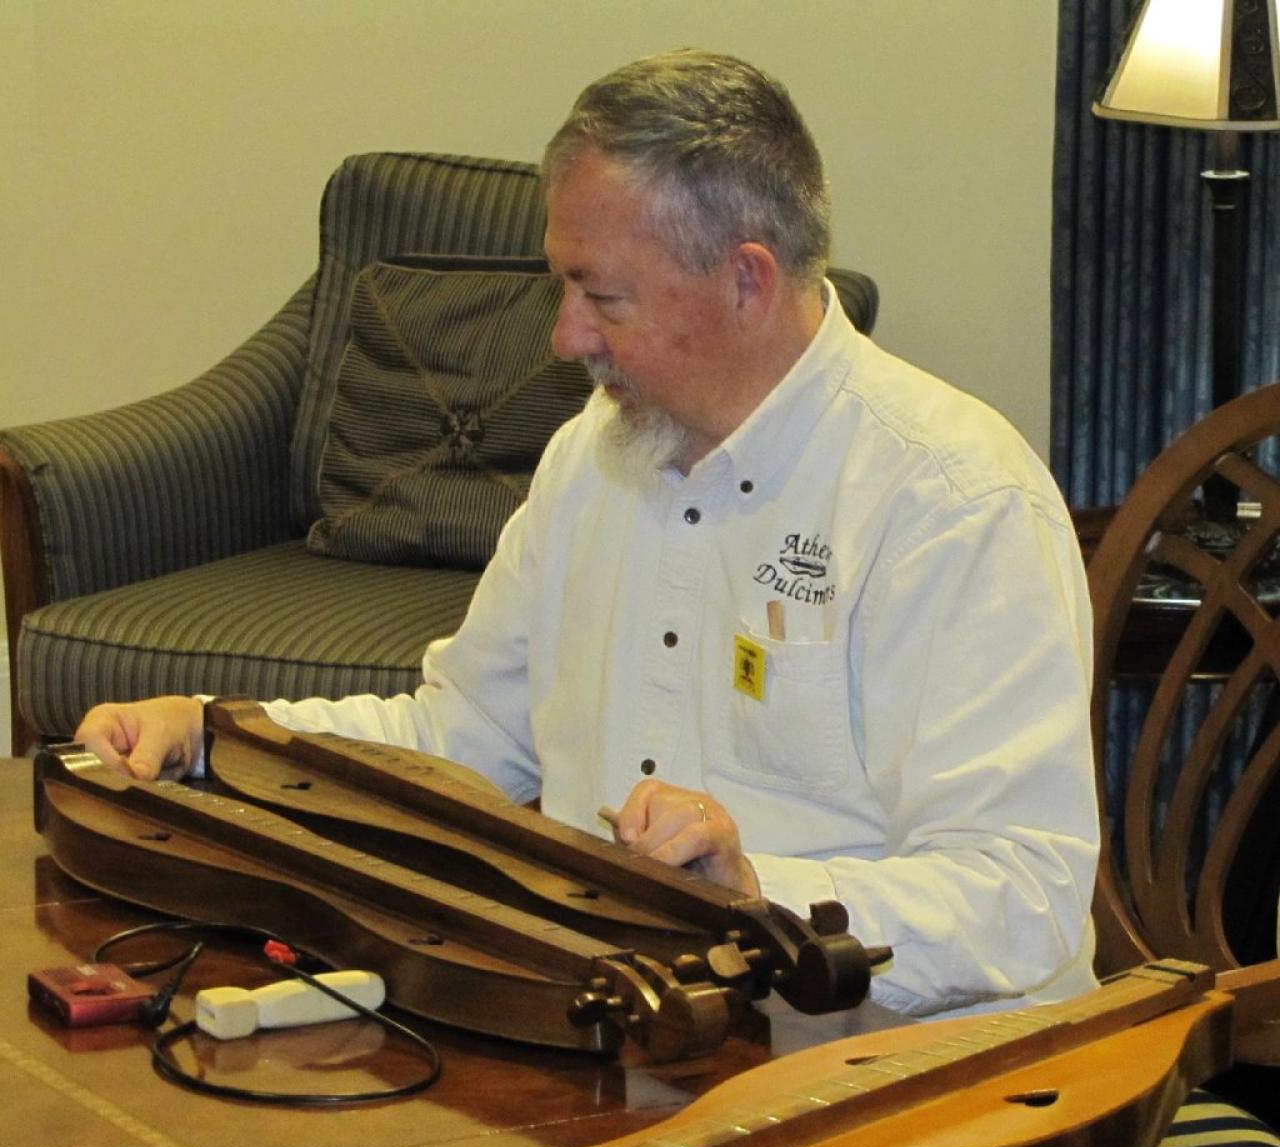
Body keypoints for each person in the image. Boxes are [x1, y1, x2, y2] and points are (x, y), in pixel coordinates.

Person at [75, 49, 1099, 1018]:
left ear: (745, 280)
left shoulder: (950, 499)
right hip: (625, 1025)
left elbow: (1023, 891)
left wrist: (757, 893)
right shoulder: (591, 457)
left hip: (895, 1062)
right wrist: (216, 737)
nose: (565, 338)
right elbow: (460, 742)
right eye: (562, 287)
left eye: (600, 296)